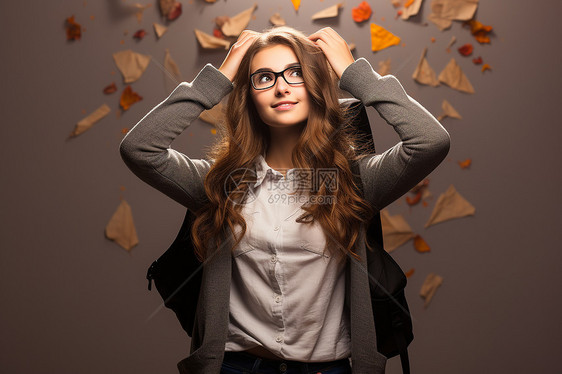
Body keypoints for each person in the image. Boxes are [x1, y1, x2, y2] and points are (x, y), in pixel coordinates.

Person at [120, 26, 450, 374]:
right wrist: (216, 80)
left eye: (296, 73)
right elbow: (139, 149)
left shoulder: (354, 182)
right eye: (263, 77)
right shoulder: (219, 183)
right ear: (248, 95)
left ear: (317, 87)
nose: (281, 87)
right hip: (235, 367)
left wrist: (356, 74)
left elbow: (430, 142)